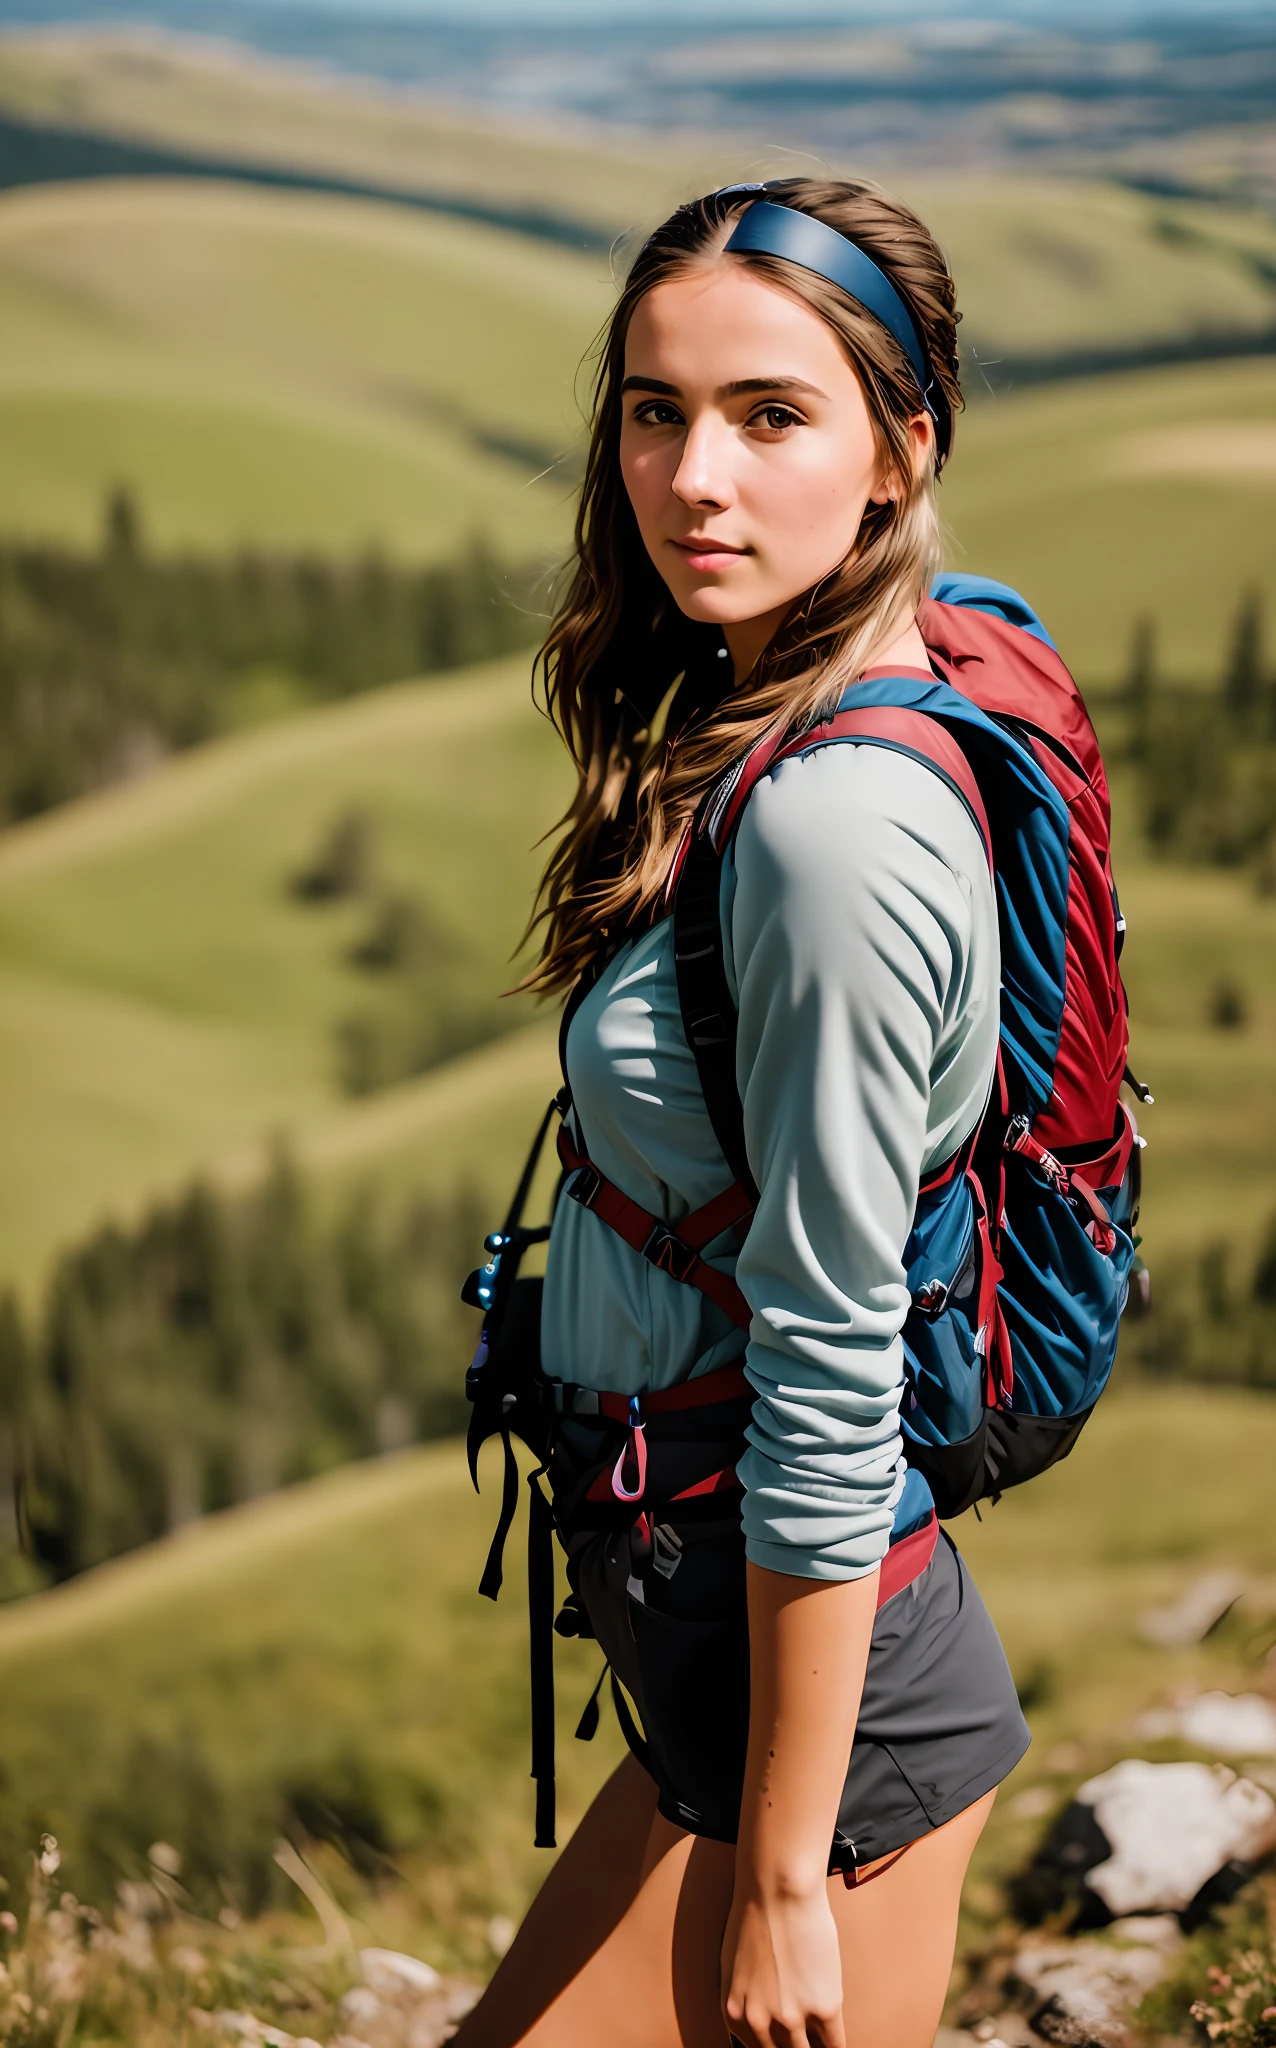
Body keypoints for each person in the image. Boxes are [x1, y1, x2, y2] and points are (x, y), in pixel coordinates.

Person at [452, 176, 1031, 2048]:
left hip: (824, 1749)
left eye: (772, 415)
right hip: (718, 1661)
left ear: (897, 450)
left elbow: (834, 1366)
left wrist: (782, 1887)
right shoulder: (762, 720)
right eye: (653, 407)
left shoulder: (833, 832)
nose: (694, 474)